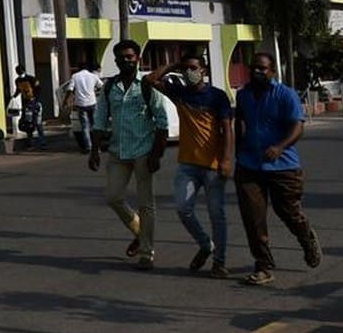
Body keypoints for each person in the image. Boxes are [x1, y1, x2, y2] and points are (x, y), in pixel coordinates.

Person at [235, 52, 321, 287]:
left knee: (288, 212)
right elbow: (239, 122)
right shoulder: (243, 95)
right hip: (249, 165)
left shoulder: (285, 94)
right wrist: (236, 153)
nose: (257, 72)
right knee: (253, 218)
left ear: (272, 71)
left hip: (283, 166)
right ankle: (263, 266)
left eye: (262, 68)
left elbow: (298, 126)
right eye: (254, 68)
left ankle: (306, 237)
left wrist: (280, 147)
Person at [148, 53, 234, 278]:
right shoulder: (180, 93)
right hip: (187, 164)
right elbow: (149, 80)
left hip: (213, 166)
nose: (190, 72)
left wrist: (226, 160)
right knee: (183, 209)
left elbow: (227, 129)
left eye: (194, 68)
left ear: (203, 70)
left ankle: (219, 262)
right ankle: (206, 245)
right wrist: (174, 64)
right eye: (186, 69)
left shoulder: (217, 96)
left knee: (217, 214)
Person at [89, 39, 167, 269]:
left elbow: (162, 121)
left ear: (138, 59)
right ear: (115, 60)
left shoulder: (147, 85)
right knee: (113, 197)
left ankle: (147, 252)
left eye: (130, 57)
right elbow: (100, 118)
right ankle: (138, 231)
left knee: (146, 204)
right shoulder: (110, 86)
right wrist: (94, 150)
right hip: (118, 152)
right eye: (122, 57)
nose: (126, 60)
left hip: (144, 151)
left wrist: (156, 155)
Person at [65, 62, 101, 153]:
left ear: (78, 68)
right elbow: (101, 86)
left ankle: (89, 147)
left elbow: (69, 89)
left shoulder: (75, 76)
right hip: (92, 102)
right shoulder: (93, 76)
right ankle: (97, 147)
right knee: (95, 126)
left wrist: (65, 100)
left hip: (81, 104)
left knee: (85, 127)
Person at [11, 65, 45, 151]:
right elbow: (18, 90)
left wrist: (37, 100)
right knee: (28, 123)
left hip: (35, 102)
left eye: (20, 71)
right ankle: (30, 142)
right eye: (17, 71)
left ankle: (42, 142)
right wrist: (14, 97)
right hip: (27, 103)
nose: (19, 73)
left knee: (37, 122)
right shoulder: (18, 80)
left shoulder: (31, 79)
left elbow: (38, 89)